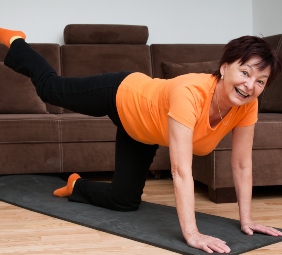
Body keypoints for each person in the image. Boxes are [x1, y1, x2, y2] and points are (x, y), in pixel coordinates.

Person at [0, 27, 282, 254]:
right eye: (244, 72)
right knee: (51, 89)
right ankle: (15, 41)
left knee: (124, 201)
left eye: (261, 81)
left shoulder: (247, 104)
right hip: (123, 94)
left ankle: (77, 185)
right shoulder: (191, 93)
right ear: (224, 68)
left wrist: (247, 219)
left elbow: (243, 164)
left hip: (141, 131)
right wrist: (192, 233)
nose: (250, 85)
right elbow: (180, 171)